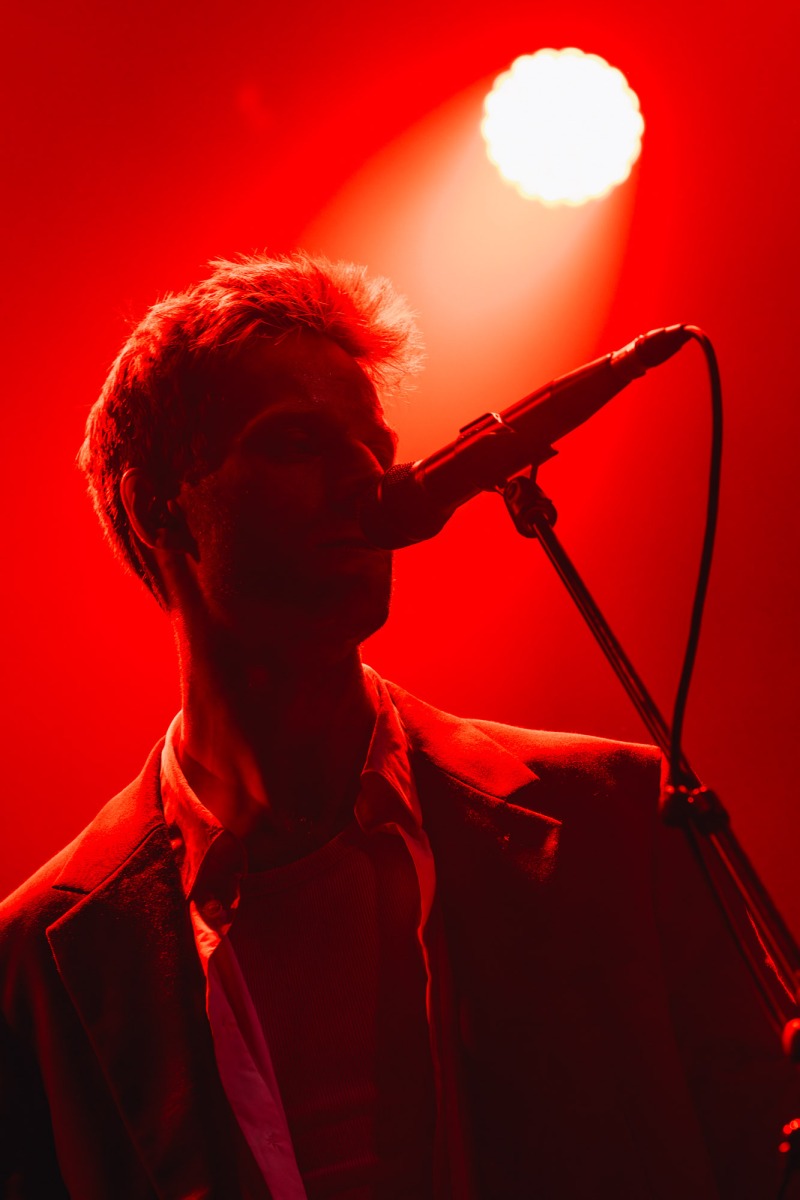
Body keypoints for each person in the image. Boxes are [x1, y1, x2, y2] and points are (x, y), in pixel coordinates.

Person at [0, 252, 794, 1200]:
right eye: (297, 443)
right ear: (155, 506)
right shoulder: (37, 960)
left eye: (374, 445)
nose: (368, 479)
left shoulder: (620, 818)